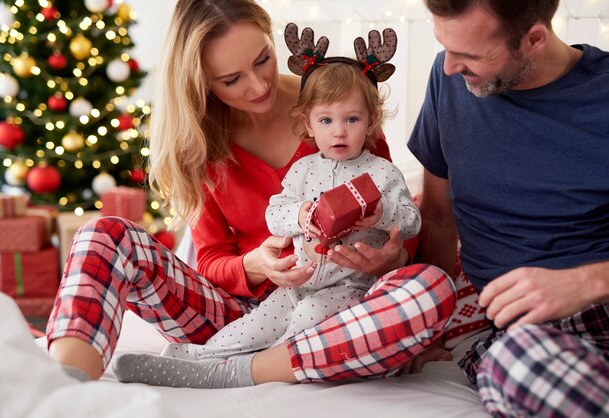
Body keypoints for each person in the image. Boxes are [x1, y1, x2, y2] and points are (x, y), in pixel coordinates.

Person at [46, 0, 456, 387]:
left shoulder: (341, 108)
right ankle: (64, 387)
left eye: (262, 58)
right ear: (201, 81)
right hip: (235, 313)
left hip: (337, 305)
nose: (259, 85)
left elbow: (393, 219)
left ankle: (239, 371)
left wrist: (393, 257)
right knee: (103, 236)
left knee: (430, 288)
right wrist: (257, 265)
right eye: (231, 79)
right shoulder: (201, 143)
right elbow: (210, 260)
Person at [111, 58, 422, 386]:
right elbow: (275, 216)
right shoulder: (303, 170)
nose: (339, 131)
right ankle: (194, 357)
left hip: (349, 289)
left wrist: (383, 213)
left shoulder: (382, 172)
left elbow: (412, 221)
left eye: (352, 119)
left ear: (372, 121)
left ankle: (240, 373)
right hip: (294, 286)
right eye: (326, 119)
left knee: (307, 318)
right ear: (308, 123)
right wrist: (300, 214)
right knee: (252, 324)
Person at [407, 0, 609, 416]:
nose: (449, 67)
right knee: (515, 362)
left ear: (534, 38)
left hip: (599, 306)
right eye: (445, 47)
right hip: (528, 340)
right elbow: (439, 217)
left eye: (470, 55)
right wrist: (430, 330)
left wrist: (588, 281)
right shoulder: (449, 83)